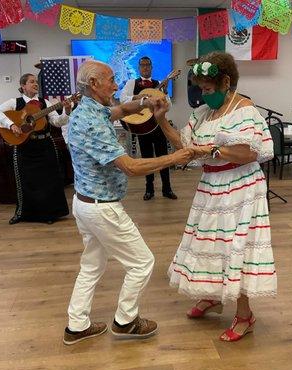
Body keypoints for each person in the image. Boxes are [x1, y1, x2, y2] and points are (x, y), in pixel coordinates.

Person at [64, 60, 194, 344]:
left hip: (87, 204)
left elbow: (121, 110)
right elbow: (131, 167)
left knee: (91, 266)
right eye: (111, 80)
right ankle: (126, 321)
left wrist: (146, 101)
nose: (115, 84)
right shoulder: (89, 123)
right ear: (94, 84)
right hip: (101, 208)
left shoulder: (90, 110)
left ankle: (76, 325)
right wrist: (175, 158)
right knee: (142, 262)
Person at [153, 52, 276, 342]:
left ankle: (245, 315)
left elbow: (251, 152)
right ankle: (214, 296)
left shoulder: (244, 109)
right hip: (212, 185)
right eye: (202, 90)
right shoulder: (203, 115)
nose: (205, 95)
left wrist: (212, 151)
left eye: (209, 89)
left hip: (241, 186)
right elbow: (185, 145)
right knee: (210, 243)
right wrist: (162, 121)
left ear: (226, 83)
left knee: (238, 248)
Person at [0, 73, 71, 224]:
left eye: (36, 82)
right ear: (23, 86)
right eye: (32, 82)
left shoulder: (44, 102)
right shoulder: (14, 102)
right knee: (25, 181)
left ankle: (49, 214)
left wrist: (66, 111)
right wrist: (11, 124)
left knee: (49, 180)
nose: (35, 84)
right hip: (24, 146)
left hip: (45, 145)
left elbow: (57, 122)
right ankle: (22, 214)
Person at [120, 56, 177, 201]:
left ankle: (167, 188)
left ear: (151, 67)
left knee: (164, 157)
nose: (145, 67)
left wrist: (164, 93)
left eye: (148, 65)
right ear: (139, 68)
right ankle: (149, 189)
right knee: (146, 158)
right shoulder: (132, 83)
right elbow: (123, 99)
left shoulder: (158, 83)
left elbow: (168, 106)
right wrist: (140, 99)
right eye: (142, 65)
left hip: (158, 126)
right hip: (142, 126)